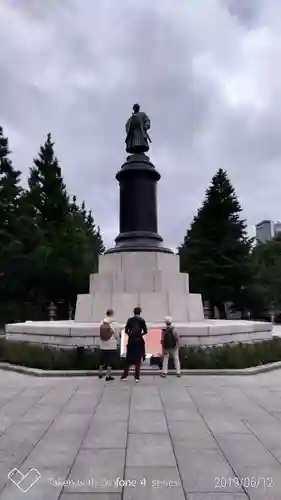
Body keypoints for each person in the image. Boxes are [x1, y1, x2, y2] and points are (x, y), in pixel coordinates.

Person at [121, 306, 147, 382]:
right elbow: (145, 331)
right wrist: (140, 335)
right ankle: (137, 377)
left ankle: (124, 375)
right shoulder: (142, 320)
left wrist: (130, 334)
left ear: (134, 312)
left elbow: (126, 330)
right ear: (140, 313)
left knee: (128, 359)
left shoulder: (130, 320)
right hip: (139, 341)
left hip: (131, 341)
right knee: (138, 360)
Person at [99, 308, 120, 381]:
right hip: (111, 344)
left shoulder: (102, 322)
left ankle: (100, 373)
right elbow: (117, 334)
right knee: (110, 360)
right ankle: (108, 375)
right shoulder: (115, 323)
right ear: (112, 314)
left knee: (102, 359)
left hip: (103, 343)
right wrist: (118, 340)